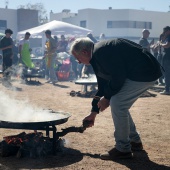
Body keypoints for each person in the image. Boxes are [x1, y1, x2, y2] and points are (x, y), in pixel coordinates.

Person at [70, 37, 162, 160]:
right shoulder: (97, 55)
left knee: (118, 103)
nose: (79, 62)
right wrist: (93, 112)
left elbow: (119, 76)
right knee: (119, 104)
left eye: (78, 58)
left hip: (145, 72)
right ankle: (134, 141)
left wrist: (107, 98)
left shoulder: (102, 52)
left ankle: (123, 149)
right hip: (145, 71)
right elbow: (102, 86)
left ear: (85, 52)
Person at [159, 26, 170, 95]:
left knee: (166, 73)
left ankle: (167, 90)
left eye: (165, 31)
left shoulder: (169, 37)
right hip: (167, 57)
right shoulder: (167, 38)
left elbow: (167, 45)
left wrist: (161, 44)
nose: (164, 33)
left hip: (167, 57)